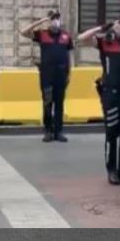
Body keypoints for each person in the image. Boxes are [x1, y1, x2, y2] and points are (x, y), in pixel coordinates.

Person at [77, 14, 120, 186]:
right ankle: (112, 170)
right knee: (112, 133)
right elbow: (81, 38)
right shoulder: (106, 44)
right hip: (111, 95)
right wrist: (103, 27)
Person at [21, 9, 74, 142]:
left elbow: (69, 55)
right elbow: (23, 32)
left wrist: (70, 72)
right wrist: (40, 22)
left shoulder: (66, 36)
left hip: (61, 75)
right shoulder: (42, 35)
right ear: (48, 21)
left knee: (60, 104)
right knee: (47, 103)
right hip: (47, 75)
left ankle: (58, 131)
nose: (55, 21)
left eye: (57, 18)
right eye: (52, 18)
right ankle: (48, 131)